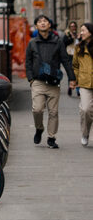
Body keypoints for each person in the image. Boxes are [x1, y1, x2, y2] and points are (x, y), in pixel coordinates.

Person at [25, 14, 76, 148]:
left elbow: (65, 60)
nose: (42, 23)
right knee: (37, 110)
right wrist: (30, 78)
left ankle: (51, 137)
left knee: (53, 112)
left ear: (49, 25)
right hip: (37, 81)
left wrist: (72, 78)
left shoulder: (57, 41)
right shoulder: (32, 43)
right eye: (40, 21)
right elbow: (28, 62)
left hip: (53, 82)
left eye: (45, 21)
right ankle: (39, 128)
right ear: (36, 26)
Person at [72, 22, 93, 147]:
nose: (81, 33)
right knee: (85, 110)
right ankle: (85, 133)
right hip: (85, 83)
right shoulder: (78, 47)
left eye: (83, 30)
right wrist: (77, 78)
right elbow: (75, 65)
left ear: (90, 31)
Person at [64, 21, 79, 96]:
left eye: (74, 26)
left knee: (77, 72)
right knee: (71, 73)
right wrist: (71, 38)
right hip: (69, 55)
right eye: (71, 26)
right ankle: (70, 87)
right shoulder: (67, 34)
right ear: (69, 27)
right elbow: (64, 43)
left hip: (77, 55)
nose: (73, 28)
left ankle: (78, 89)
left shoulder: (79, 34)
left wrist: (78, 38)